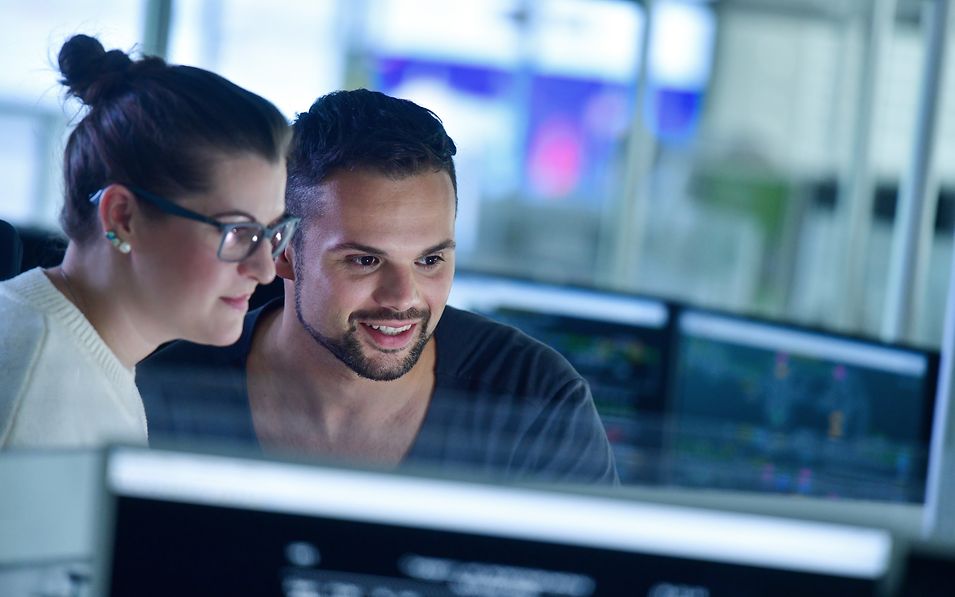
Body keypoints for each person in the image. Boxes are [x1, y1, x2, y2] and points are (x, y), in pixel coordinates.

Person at [139, 89, 617, 484]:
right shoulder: (166, 389)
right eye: (365, 260)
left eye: (430, 259)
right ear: (283, 251)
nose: (404, 298)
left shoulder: (533, 399)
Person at [0, 35, 296, 449]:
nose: (265, 268)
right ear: (124, 218)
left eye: (272, 232)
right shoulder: (40, 401)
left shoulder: (74, 358)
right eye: (238, 232)